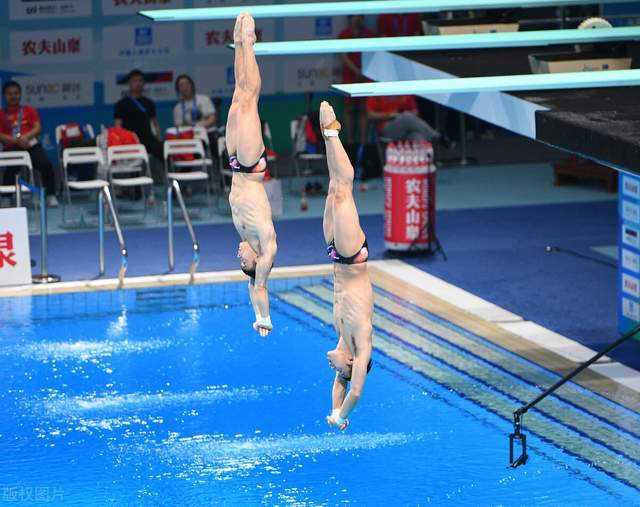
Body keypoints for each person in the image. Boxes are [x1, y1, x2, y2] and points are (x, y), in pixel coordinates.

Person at [320, 100, 374, 431]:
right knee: (344, 190)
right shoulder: (360, 337)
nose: (332, 367)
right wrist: (343, 415)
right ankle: (331, 133)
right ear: (351, 363)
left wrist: (332, 410)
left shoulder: (342, 335)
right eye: (339, 368)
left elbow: (339, 387)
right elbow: (353, 389)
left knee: (333, 188)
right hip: (352, 254)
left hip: (334, 254)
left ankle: (330, 135)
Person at [227, 13, 277, 337]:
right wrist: (264, 318)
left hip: (235, 162)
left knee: (237, 94)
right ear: (254, 260)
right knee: (249, 99)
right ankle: (250, 44)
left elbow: (249, 286)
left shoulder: (243, 234)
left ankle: (238, 45)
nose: (238, 254)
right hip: (250, 164)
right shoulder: (265, 244)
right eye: (242, 260)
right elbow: (258, 287)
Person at [0, 81, 59, 207]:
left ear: (20, 95)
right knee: (11, 168)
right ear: (4, 96)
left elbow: (37, 128)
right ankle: (6, 197)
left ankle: (50, 195)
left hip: (30, 145)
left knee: (46, 165)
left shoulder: (29, 110)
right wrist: (16, 141)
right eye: (10, 94)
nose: (13, 96)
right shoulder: (1, 114)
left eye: (16, 93)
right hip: (11, 146)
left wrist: (24, 138)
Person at [338, 15, 375, 147]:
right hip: (350, 76)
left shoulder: (369, 34)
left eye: (359, 17)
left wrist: (363, 71)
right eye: (354, 17)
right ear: (349, 18)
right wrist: (356, 71)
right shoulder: (344, 35)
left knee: (363, 108)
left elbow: (373, 55)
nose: (357, 19)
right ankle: (350, 141)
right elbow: (344, 57)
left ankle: (364, 141)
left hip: (365, 75)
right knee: (350, 108)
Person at [367, 94, 453, 148]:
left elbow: (415, 112)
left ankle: (419, 171)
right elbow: (370, 114)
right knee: (406, 116)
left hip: (407, 127)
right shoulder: (379, 89)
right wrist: (390, 115)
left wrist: (402, 115)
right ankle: (436, 136)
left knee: (419, 137)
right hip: (387, 127)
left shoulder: (404, 89)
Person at [114, 69, 163, 161]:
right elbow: (118, 126)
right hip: (130, 141)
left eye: (140, 80)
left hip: (148, 140)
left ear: (144, 83)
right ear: (129, 83)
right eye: (135, 81)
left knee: (163, 149)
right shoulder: (121, 104)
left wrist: (158, 138)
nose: (138, 83)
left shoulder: (149, 103)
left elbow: (155, 124)